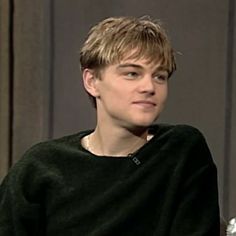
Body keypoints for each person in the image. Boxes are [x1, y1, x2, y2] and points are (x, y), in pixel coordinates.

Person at [0, 16, 220, 235]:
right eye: (132, 74)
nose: (149, 86)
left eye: (160, 77)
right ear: (92, 81)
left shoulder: (180, 152)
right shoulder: (41, 167)